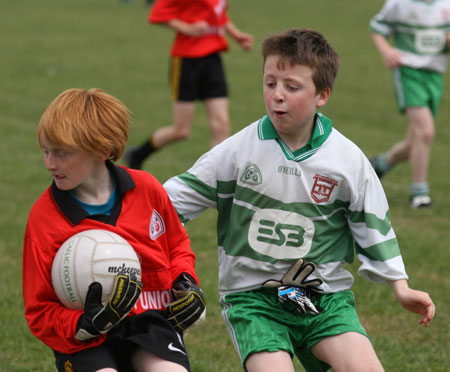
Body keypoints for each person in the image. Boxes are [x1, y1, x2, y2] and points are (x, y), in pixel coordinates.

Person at [163, 28, 435, 372]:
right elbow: (169, 203)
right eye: (270, 82)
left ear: (322, 95)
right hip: (252, 299)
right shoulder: (235, 152)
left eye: (291, 87)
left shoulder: (347, 161)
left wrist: (400, 287)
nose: (277, 95)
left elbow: (373, 225)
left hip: (324, 297)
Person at [23, 88, 206, 372]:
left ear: (103, 150)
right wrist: (83, 324)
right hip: (85, 339)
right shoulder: (45, 217)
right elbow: (39, 311)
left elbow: (177, 246)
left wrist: (185, 282)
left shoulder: (147, 190)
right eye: (45, 151)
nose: (49, 163)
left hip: (149, 322)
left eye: (61, 153)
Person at [125, 0, 254, 170]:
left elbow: (218, 14)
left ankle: (214, 182)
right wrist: (186, 28)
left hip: (213, 59)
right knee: (181, 130)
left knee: (221, 126)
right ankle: (138, 154)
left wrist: (236, 34)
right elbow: (157, 14)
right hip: (186, 61)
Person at [369, 0, 450, 208]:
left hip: (435, 75)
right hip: (408, 72)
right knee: (425, 132)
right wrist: (386, 51)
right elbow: (377, 29)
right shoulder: (398, 4)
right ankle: (419, 194)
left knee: (415, 140)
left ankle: (381, 164)